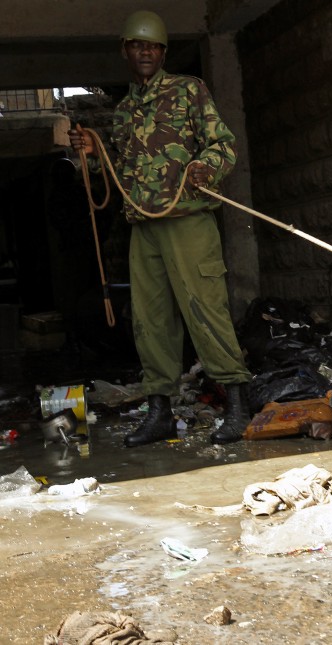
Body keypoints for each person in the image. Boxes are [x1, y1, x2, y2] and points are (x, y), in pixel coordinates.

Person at [68, 10, 252, 446]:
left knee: (205, 310)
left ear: (163, 52)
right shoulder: (125, 110)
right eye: (137, 45)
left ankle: (240, 405)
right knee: (150, 323)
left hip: (188, 220)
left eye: (152, 46)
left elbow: (222, 145)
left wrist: (203, 167)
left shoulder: (189, 90)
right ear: (126, 52)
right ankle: (160, 412)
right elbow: (116, 175)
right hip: (144, 227)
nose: (145, 52)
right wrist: (94, 153)